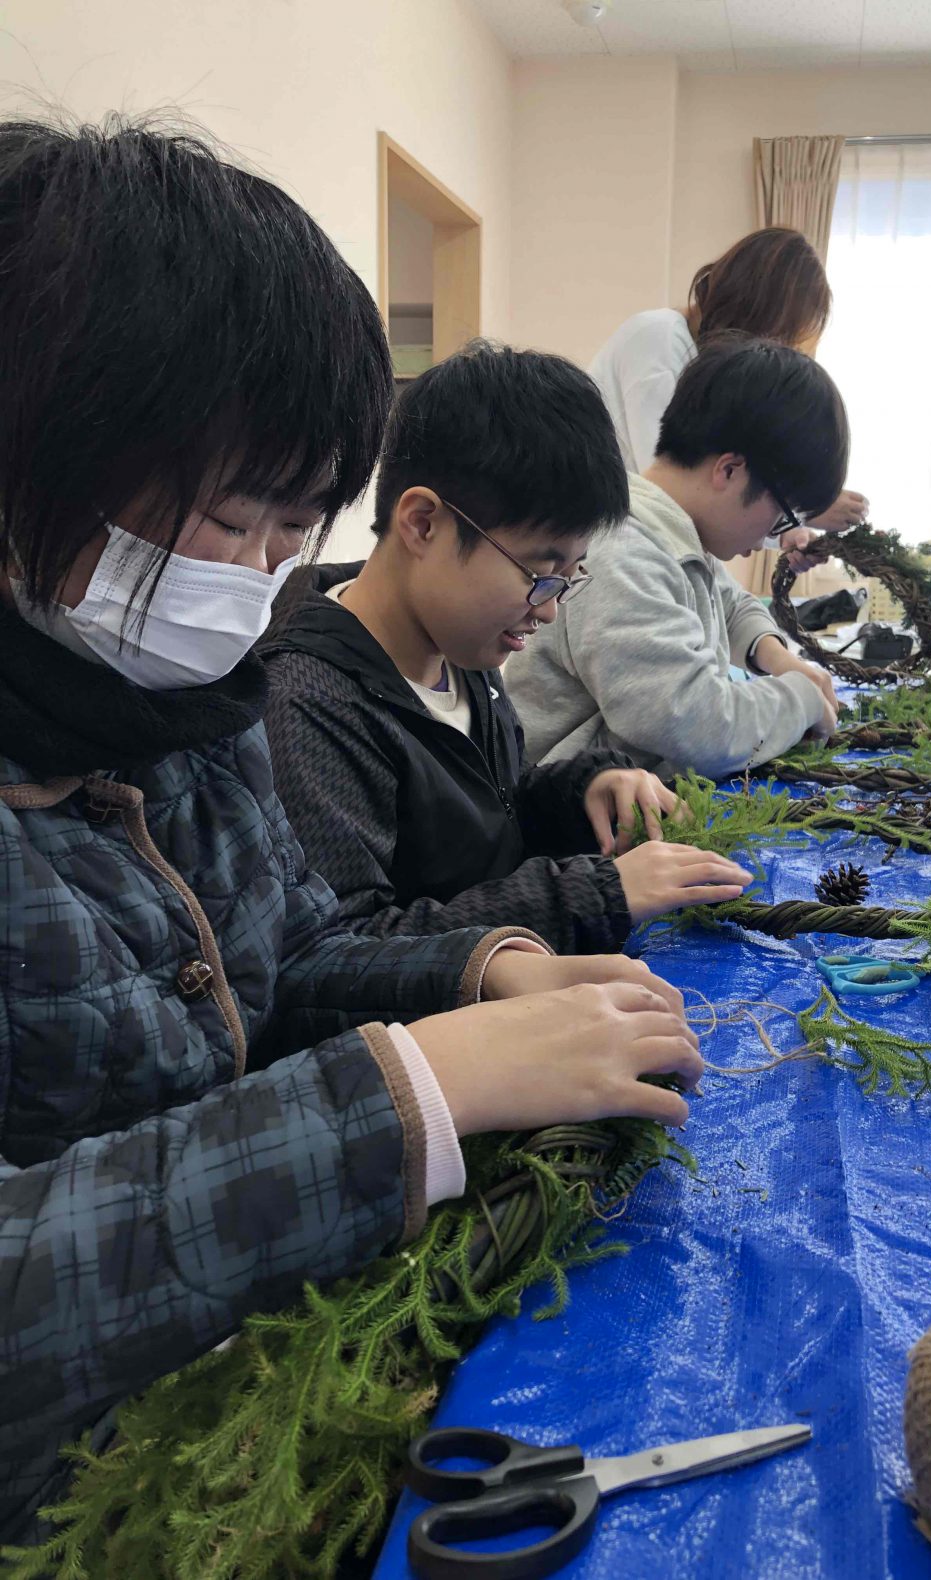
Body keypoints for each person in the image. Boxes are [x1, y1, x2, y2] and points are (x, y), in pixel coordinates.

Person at [0, 116, 702, 1551]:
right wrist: (404, 1097)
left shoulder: (177, 715)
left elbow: (294, 953)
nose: (274, 580)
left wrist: (488, 972)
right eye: (243, 520)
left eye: (299, 527)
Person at [261, 341, 753, 956]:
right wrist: (595, 894)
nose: (548, 609)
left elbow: (497, 812)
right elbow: (346, 949)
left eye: (569, 577)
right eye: (539, 573)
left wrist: (586, 788)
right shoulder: (309, 704)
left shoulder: (460, 651)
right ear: (423, 523)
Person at [510, 336, 849, 780]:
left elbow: (732, 604)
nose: (773, 535)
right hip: (566, 808)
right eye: (782, 517)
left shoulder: (677, 536)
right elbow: (696, 725)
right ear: (730, 470)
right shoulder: (622, 550)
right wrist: (800, 700)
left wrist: (780, 659)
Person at [588, 225, 868, 556]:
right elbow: (681, 495)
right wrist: (804, 509)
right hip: (594, 536)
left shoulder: (701, 368)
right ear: (755, 307)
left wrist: (787, 529)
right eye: (781, 335)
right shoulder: (658, 338)